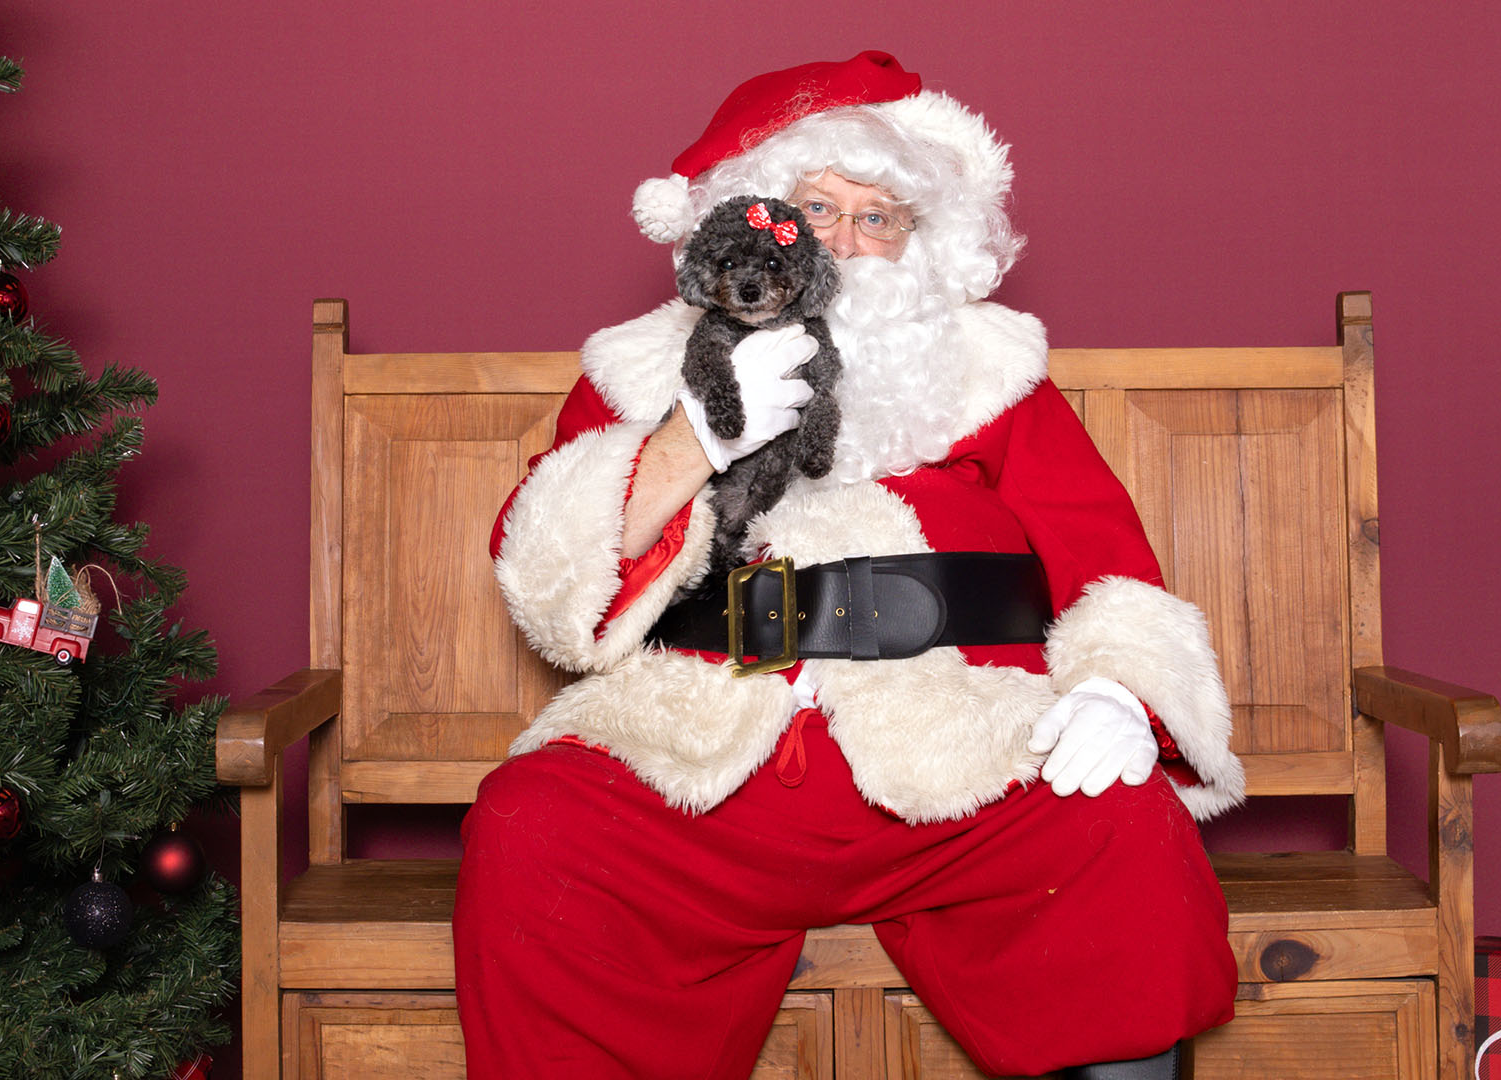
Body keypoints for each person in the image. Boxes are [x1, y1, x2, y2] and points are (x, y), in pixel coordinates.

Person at [458, 52, 1246, 1080]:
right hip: (698, 757)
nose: (846, 243)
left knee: (1118, 822)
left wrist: (1117, 692)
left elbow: (1109, 561)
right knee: (531, 829)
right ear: (748, 221)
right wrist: (694, 439)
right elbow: (551, 581)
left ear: (925, 246)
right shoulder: (640, 371)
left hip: (957, 754)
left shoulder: (994, 377)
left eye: (880, 219)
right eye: (814, 208)